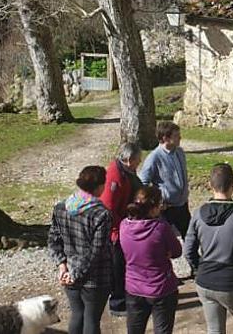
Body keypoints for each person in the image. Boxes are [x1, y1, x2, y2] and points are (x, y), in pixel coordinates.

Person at [184, 163, 233, 334]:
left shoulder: (198, 214)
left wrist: (199, 269)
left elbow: (188, 250)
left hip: (205, 283)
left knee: (215, 330)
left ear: (210, 185)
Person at [48, 166, 112, 334]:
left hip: (69, 273)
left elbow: (54, 240)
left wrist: (63, 267)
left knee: (77, 315)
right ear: (99, 187)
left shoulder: (61, 208)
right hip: (95, 277)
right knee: (91, 320)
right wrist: (75, 274)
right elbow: (96, 251)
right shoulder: (101, 214)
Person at [121, 186, 181, 334]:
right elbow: (177, 251)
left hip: (134, 288)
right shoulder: (161, 227)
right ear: (153, 208)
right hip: (162, 288)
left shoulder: (124, 225)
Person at [139, 121, 192, 275]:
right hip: (167, 208)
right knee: (165, 243)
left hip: (182, 204)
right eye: (176, 136)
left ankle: (195, 266)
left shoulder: (179, 152)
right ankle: (169, 275)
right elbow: (143, 181)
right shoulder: (154, 157)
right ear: (165, 138)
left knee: (190, 236)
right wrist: (158, 200)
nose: (180, 138)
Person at [101, 142, 143, 316]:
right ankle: (117, 303)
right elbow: (108, 207)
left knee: (124, 265)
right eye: (138, 160)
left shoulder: (125, 172)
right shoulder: (115, 177)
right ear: (129, 160)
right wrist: (122, 227)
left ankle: (126, 296)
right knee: (117, 267)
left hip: (122, 225)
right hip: (116, 231)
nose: (139, 163)